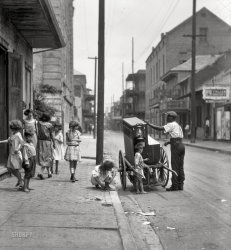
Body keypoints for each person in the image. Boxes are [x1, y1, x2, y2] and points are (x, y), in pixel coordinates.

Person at [145, 111, 185, 191]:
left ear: (172, 118)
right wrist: (169, 142)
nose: (167, 118)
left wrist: (149, 124)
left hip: (176, 147)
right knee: (180, 167)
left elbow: (160, 128)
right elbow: (177, 137)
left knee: (175, 166)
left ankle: (174, 186)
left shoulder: (171, 124)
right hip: (181, 145)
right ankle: (180, 185)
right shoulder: (177, 125)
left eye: (168, 116)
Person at [0, 120, 24, 188]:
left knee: (15, 169)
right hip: (12, 154)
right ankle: (20, 179)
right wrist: (0, 142)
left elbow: (22, 143)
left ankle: (21, 183)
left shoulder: (18, 135)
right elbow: (8, 141)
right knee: (9, 168)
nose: (11, 129)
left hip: (16, 155)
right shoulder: (13, 134)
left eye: (12, 128)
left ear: (15, 128)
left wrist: (18, 149)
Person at [37, 113, 55, 180]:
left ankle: (49, 172)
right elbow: (52, 134)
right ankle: (40, 172)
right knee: (48, 157)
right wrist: (54, 143)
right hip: (47, 142)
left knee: (43, 157)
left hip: (40, 142)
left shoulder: (39, 123)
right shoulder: (49, 125)